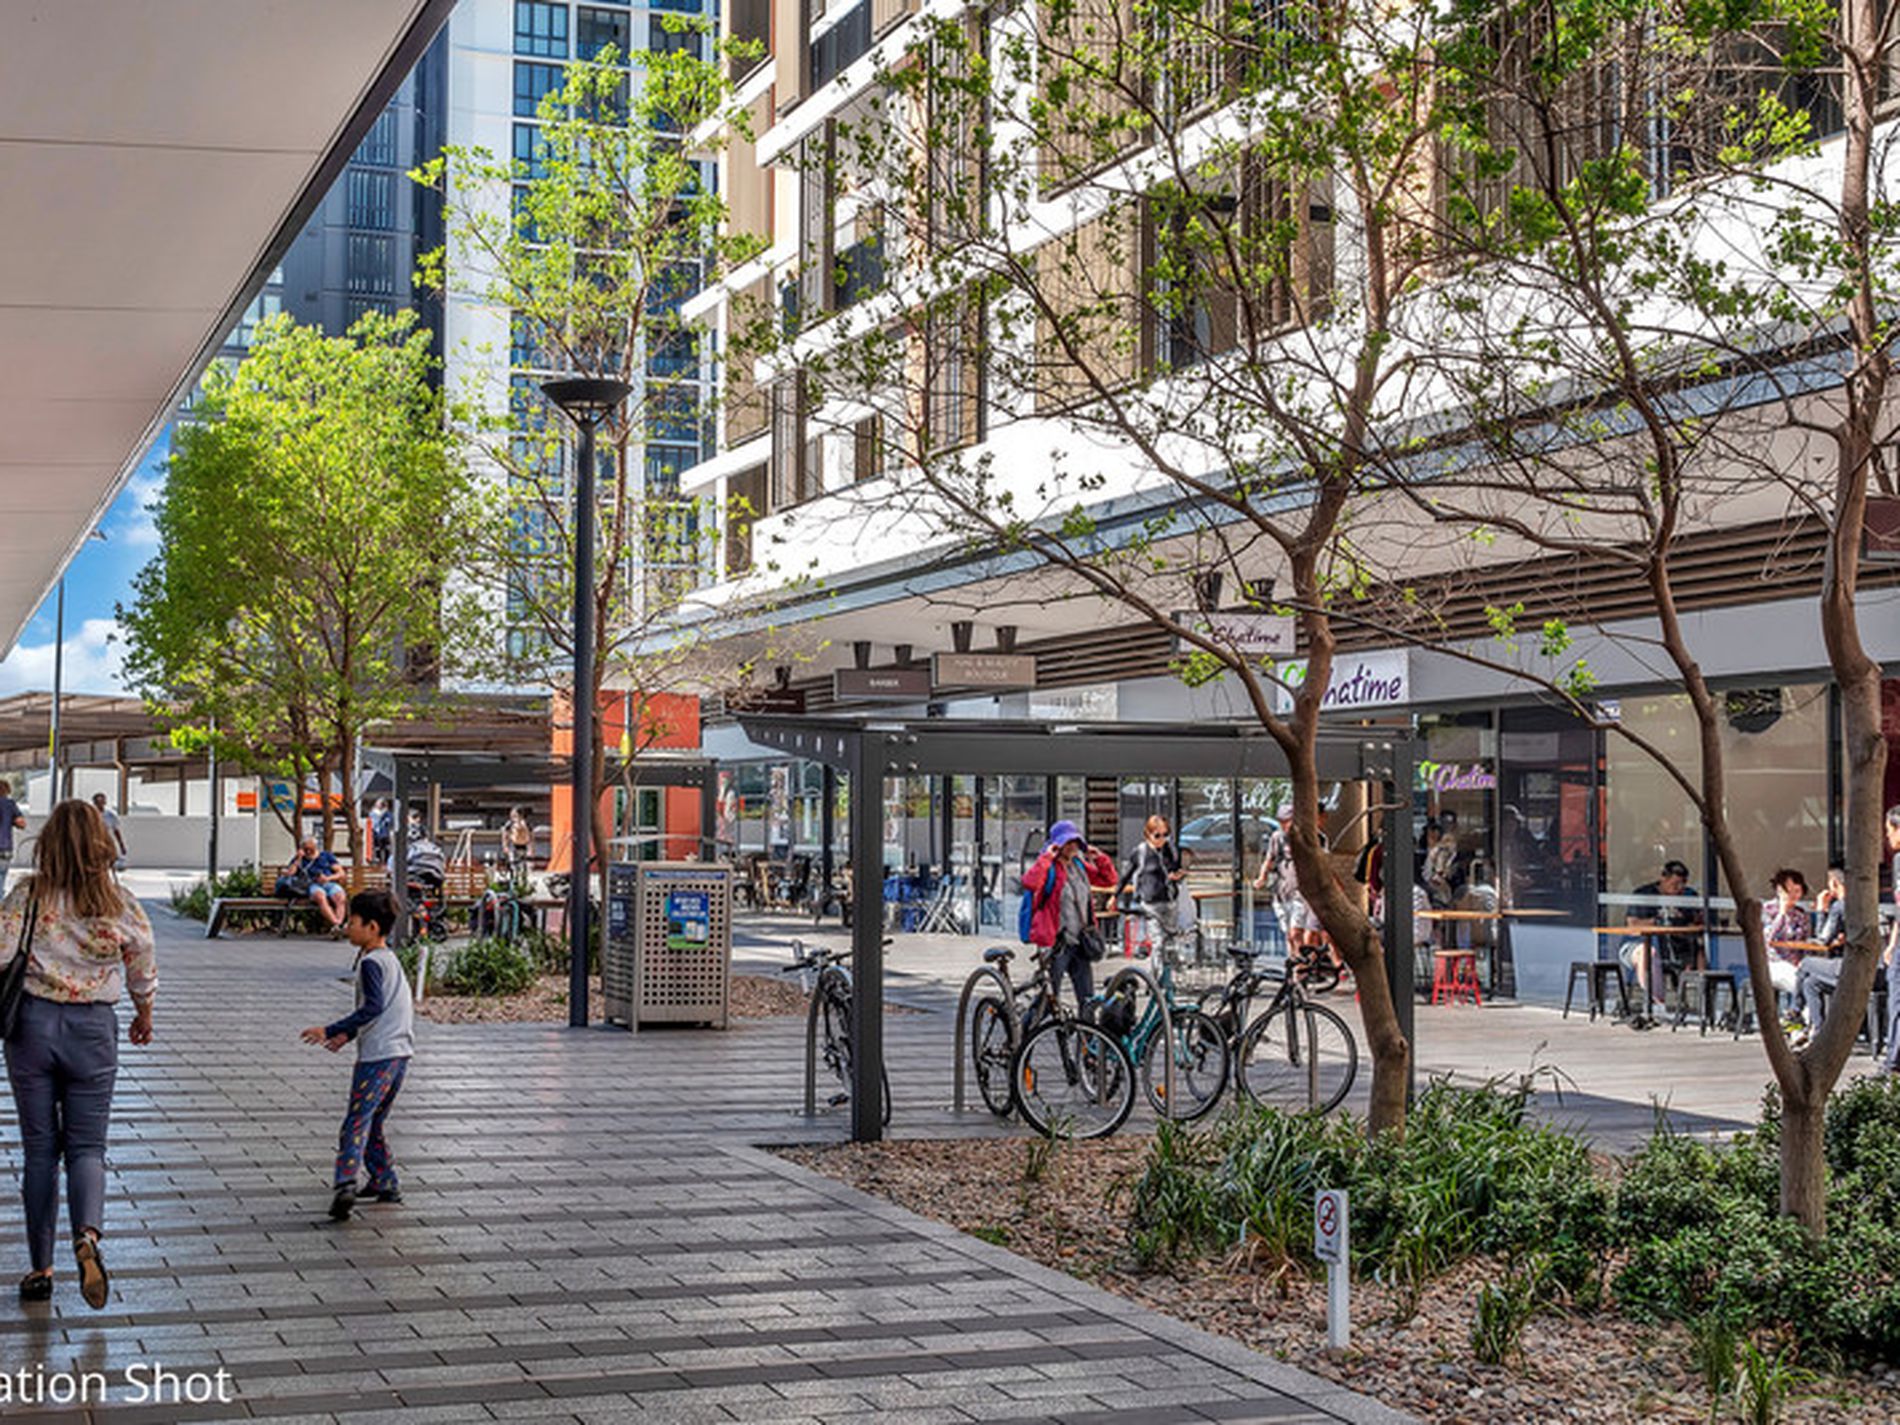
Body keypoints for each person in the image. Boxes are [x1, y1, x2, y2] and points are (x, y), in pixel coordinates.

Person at [0, 799, 156, 1306]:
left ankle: (40, 1269)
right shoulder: (120, 902)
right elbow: (142, 965)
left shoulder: (28, 894)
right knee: (88, 1148)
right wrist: (144, 1014)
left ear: (49, 844)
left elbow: (2, 952)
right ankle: (87, 1235)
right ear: (100, 844)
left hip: (31, 1026)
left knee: (40, 1150)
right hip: (93, 1030)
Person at [301, 888, 414, 1222]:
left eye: (352, 921)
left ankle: (345, 1184)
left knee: (356, 1122)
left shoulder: (370, 963)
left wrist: (330, 1029)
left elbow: (372, 1008)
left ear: (372, 927)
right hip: (399, 1055)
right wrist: (347, 1035)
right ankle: (384, 1181)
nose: (348, 927)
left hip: (378, 1057)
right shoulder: (390, 959)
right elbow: (383, 1009)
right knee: (373, 1120)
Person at [1022, 820, 1118, 1010]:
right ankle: (1026, 1028)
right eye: (1067, 842)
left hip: (1080, 942)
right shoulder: (1049, 867)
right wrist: (1046, 857)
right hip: (1057, 944)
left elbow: (1109, 880)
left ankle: (1085, 1031)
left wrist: (1099, 858)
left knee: (1087, 1002)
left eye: (1075, 842)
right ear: (1057, 844)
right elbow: (1030, 883)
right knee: (1047, 1003)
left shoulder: (1078, 865)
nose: (1072, 846)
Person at [1625, 858, 1707, 1013]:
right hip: (1640, 943)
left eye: (1683, 884)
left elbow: (1698, 921)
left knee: (1701, 951)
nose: (1679, 889)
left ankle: (1702, 1001)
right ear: (1663, 878)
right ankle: (1655, 1003)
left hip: (1678, 945)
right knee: (1648, 953)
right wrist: (1658, 921)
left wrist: (1693, 922)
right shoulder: (1644, 894)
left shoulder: (1689, 895)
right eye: (1675, 884)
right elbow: (1633, 924)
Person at [1118, 814, 1187, 955]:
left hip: (1169, 902)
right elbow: (1126, 876)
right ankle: (1157, 969)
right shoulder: (1141, 852)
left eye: (1165, 835)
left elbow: (1173, 869)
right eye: (1157, 835)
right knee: (1158, 943)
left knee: (1171, 944)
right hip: (1150, 904)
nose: (1162, 839)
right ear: (1148, 834)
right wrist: (1115, 896)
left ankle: (1168, 969)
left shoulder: (1169, 850)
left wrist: (1176, 875)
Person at [276, 837, 348, 930]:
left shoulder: (326, 856)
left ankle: (338, 925)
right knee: (320, 897)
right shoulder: (300, 859)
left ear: (316, 847)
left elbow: (341, 873)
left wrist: (328, 878)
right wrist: (298, 858)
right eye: (306, 849)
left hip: (329, 883)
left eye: (311, 849)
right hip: (311, 885)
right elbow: (291, 873)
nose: (308, 851)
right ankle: (337, 924)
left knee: (340, 897)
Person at [1761, 867, 1812, 998]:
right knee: (1801, 985)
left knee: (1814, 982)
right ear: (1779, 890)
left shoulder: (1801, 914)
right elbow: (1770, 939)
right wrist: (1782, 914)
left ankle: (1802, 1010)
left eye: (1797, 891)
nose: (1793, 895)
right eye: (1789, 890)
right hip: (1773, 963)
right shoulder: (1768, 909)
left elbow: (1806, 942)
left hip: (1797, 964)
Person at [0, 780, 25, 889]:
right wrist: (11, 820)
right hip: (4, 848)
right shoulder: (9, 804)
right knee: (1, 879)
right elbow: (21, 823)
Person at [90, 794, 126, 869]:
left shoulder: (110, 815)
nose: (99, 804)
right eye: (97, 802)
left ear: (105, 802)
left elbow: (116, 830)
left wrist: (121, 844)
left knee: (111, 857)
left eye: (101, 801)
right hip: (94, 839)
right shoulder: (90, 815)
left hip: (106, 839)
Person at [506, 806, 535, 876]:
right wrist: (505, 846)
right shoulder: (510, 824)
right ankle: (514, 877)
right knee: (513, 864)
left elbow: (531, 836)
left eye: (515, 814)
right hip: (514, 845)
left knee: (523, 864)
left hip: (524, 844)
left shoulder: (526, 824)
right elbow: (505, 835)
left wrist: (531, 848)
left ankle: (523, 877)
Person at [369, 799, 394, 865]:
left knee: (386, 848)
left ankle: (386, 861)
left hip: (385, 833)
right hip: (376, 833)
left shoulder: (387, 813)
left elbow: (390, 822)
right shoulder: (373, 813)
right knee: (377, 848)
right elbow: (372, 823)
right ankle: (378, 860)